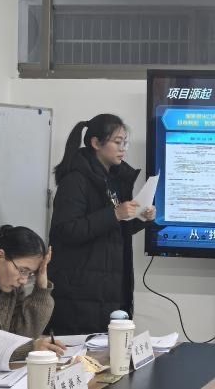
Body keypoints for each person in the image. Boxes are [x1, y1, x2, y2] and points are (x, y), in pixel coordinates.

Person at [48, 114, 155, 334]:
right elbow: (66, 230)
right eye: (117, 142)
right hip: (79, 294)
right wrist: (114, 214)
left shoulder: (114, 180)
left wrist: (141, 217)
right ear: (96, 143)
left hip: (108, 289)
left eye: (125, 143)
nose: (123, 149)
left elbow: (113, 231)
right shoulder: (75, 181)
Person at [0, 225, 65, 359]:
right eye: (22, 270)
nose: (24, 281)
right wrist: (30, 349)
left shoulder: (12, 289)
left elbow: (20, 336)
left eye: (30, 274)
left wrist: (41, 289)